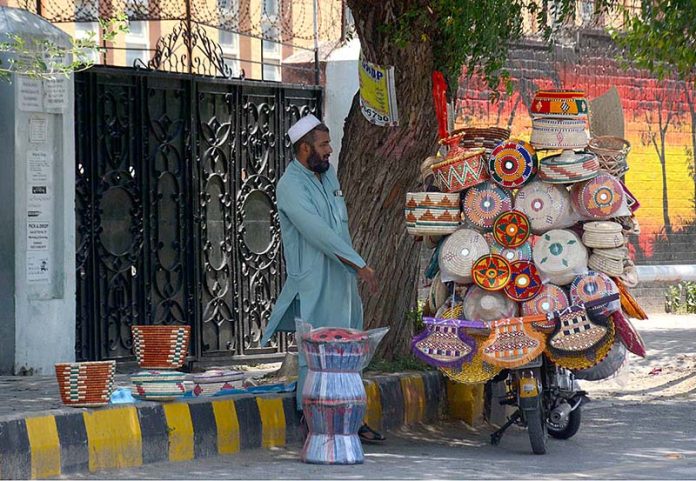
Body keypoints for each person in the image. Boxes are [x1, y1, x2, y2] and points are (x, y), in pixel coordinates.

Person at [259, 114, 385, 443]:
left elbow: (339, 228)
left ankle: (351, 418)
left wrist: (353, 266)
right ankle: (310, 417)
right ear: (304, 149)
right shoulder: (289, 185)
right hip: (315, 280)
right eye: (324, 144)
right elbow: (318, 233)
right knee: (315, 352)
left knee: (349, 351)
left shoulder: (327, 175)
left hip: (342, 277)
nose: (330, 150)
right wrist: (359, 264)